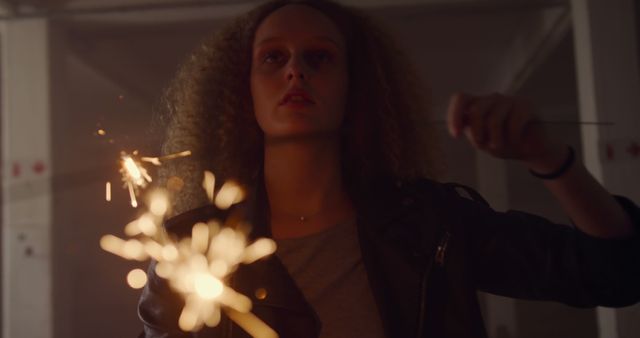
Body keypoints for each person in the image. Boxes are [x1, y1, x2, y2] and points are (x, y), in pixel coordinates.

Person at [138, 0, 640, 337]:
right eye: (273, 58)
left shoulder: (432, 223)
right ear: (239, 90)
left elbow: (615, 274)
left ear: (357, 86)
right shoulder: (190, 251)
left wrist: (547, 157)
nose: (296, 71)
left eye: (320, 57)